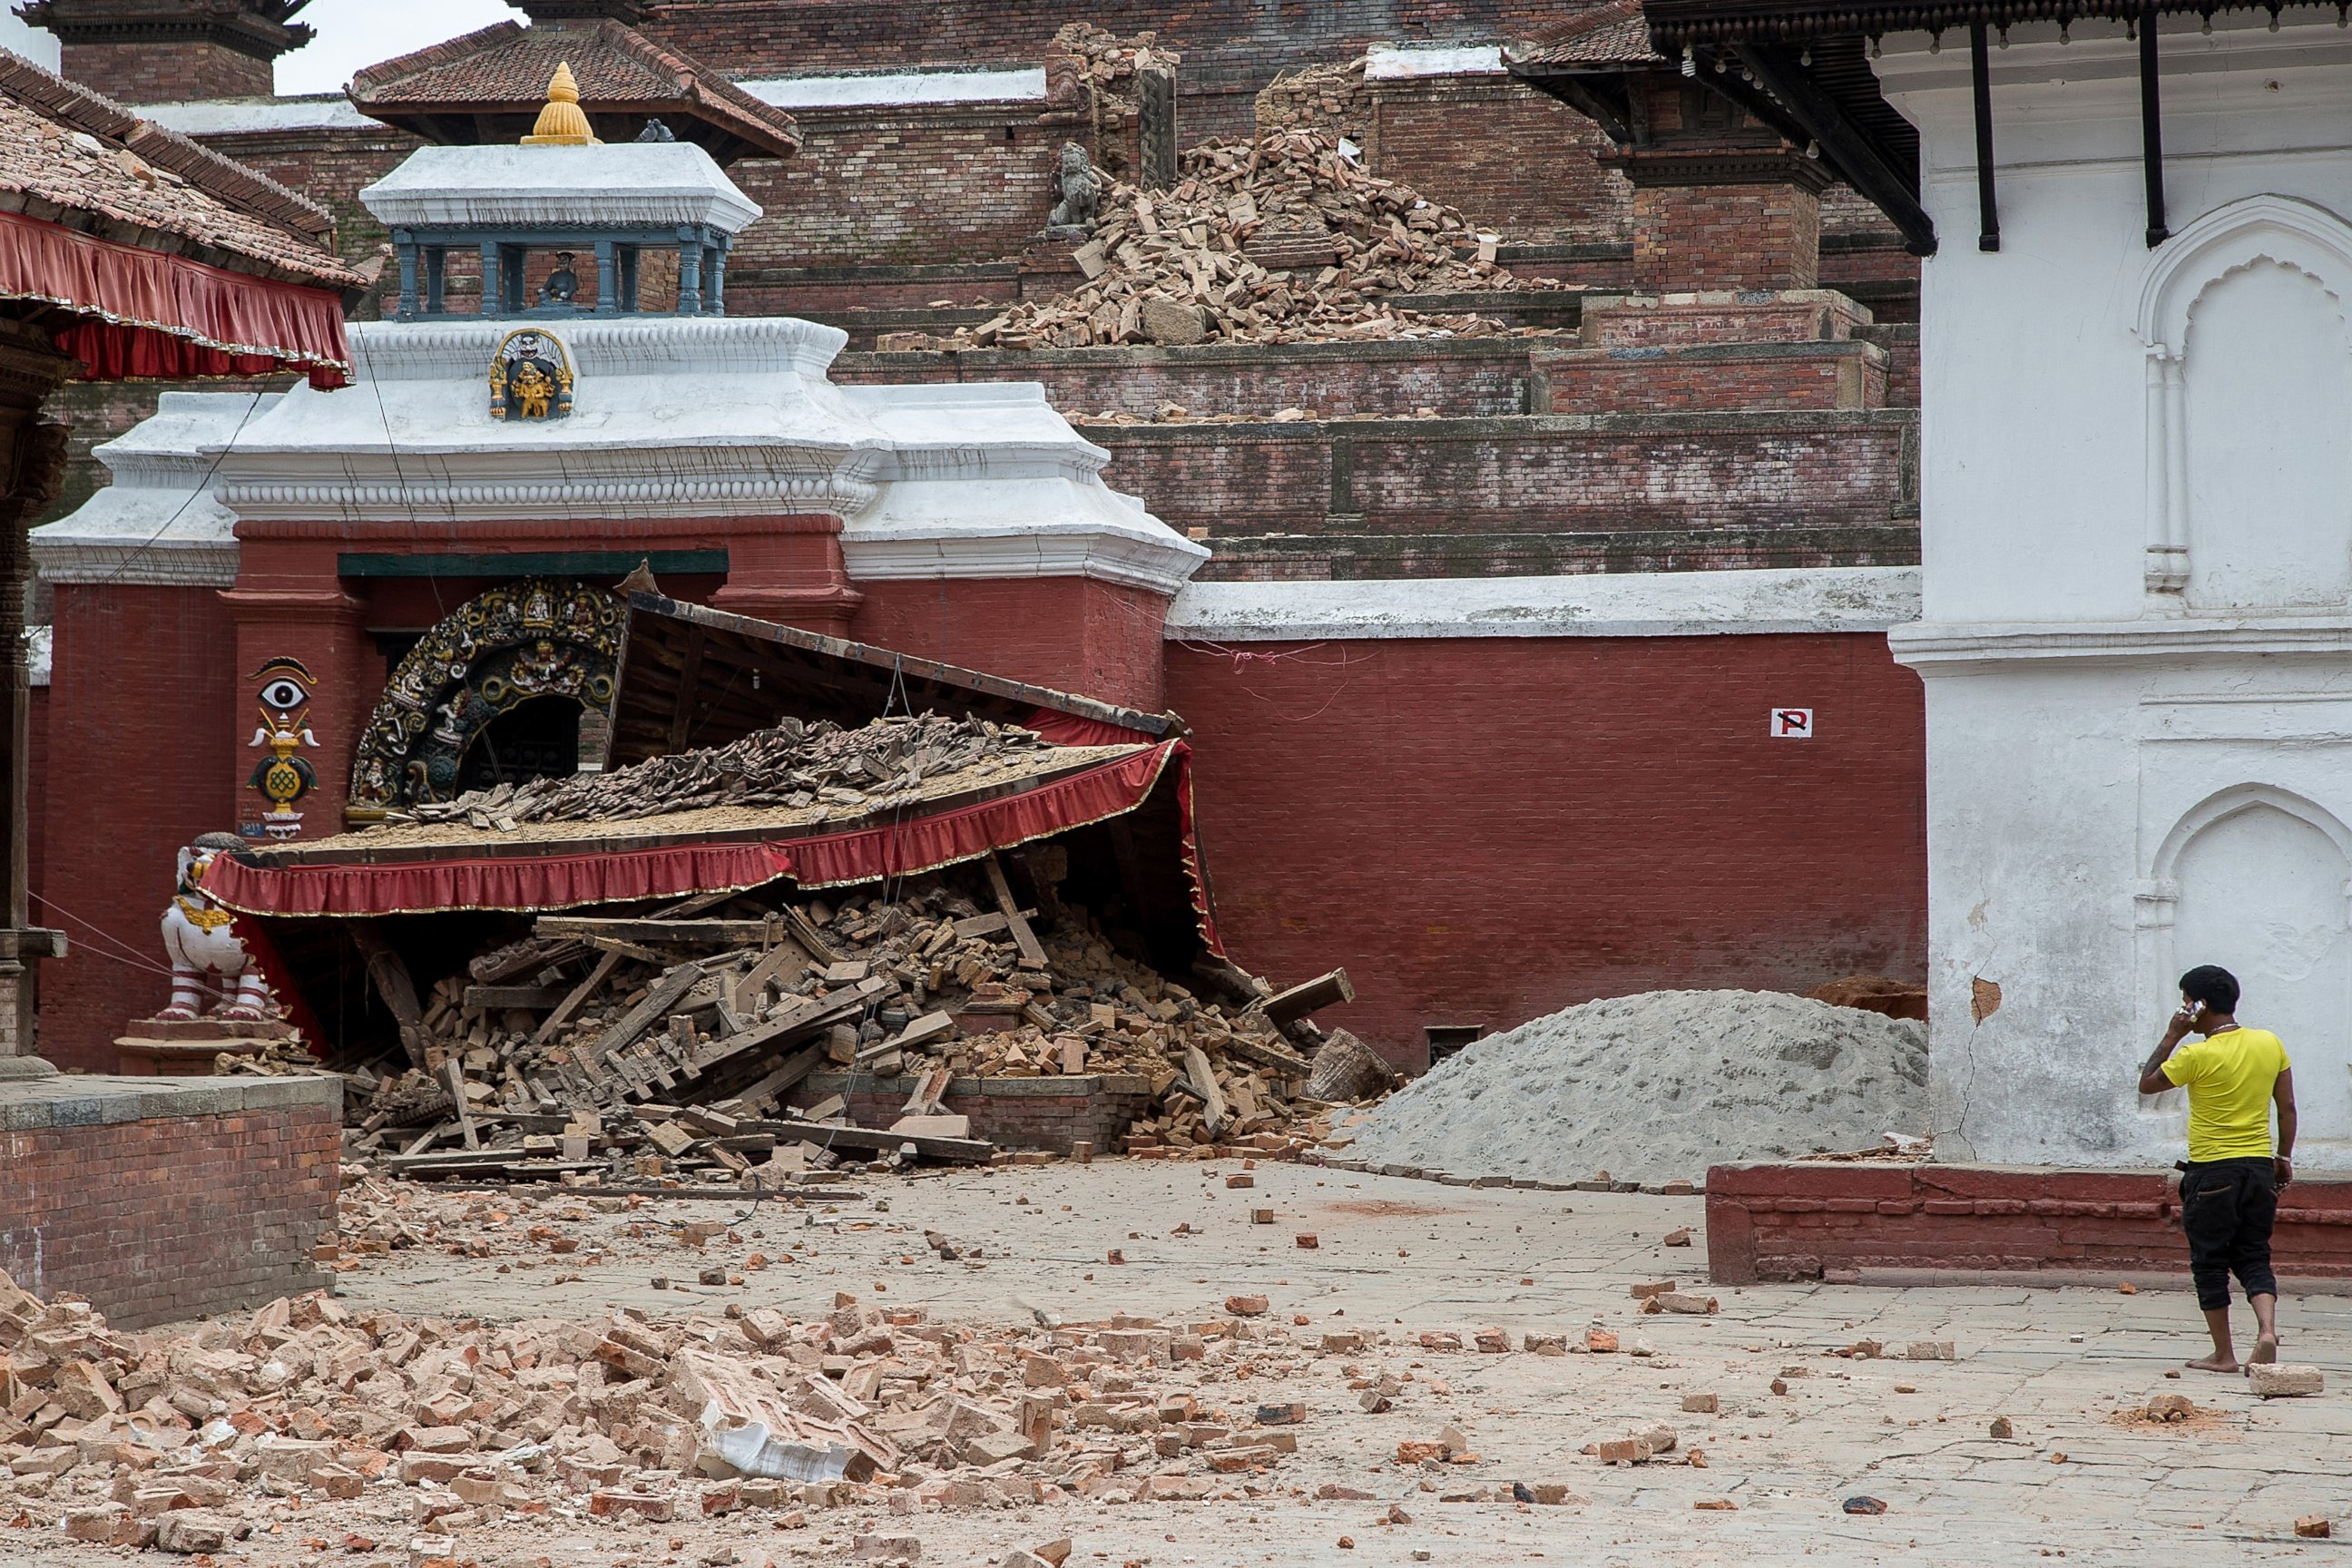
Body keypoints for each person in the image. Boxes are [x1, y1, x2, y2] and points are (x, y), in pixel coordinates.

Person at [2137, 964, 2297, 1373]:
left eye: (2187, 1001)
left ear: (2199, 1005)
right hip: (2260, 1168)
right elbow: (2287, 1109)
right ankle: (2266, 1331)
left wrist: (2173, 1033)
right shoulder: (2269, 1043)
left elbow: (2148, 1082)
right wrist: (2283, 1159)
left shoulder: (2196, 1054)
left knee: (2209, 1262)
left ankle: (2223, 1354)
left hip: (2212, 1173)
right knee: (2254, 1255)